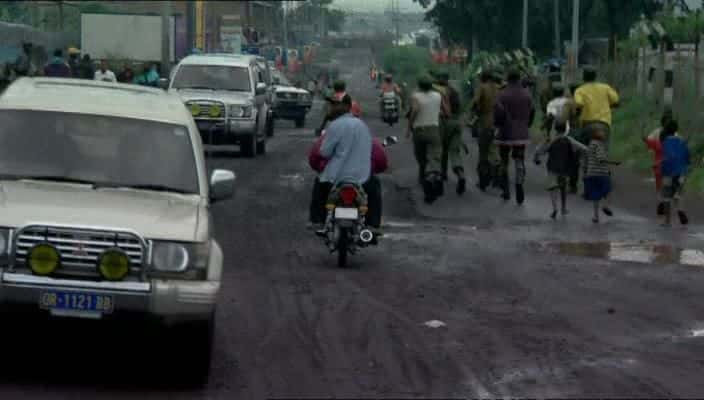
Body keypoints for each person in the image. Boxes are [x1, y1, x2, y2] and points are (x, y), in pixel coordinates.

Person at [312, 94, 373, 232]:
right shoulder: (362, 125)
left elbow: (324, 152)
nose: (332, 108)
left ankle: (317, 219)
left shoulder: (335, 125)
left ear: (346, 106)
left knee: (319, 183)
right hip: (362, 176)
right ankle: (373, 223)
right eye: (332, 104)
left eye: (335, 104)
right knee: (374, 188)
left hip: (337, 176)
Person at [494, 68, 535, 204]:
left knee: (504, 161)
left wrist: (499, 125)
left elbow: (498, 114)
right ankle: (519, 185)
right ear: (518, 79)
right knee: (519, 160)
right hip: (521, 133)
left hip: (505, 133)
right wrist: (527, 124)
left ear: (507, 78)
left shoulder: (502, 94)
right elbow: (532, 111)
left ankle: (505, 190)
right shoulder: (527, 94)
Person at [408, 75, 447, 203]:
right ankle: (432, 180)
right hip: (433, 130)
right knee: (434, 158)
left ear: (419, 85)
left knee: (421, 157)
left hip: (419, 131)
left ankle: (423, 177)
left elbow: (414, 110)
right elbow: (446, 111)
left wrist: (409, 127)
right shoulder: (438, 96)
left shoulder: (415, 96)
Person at [534, 121, 582, 219]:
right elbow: (582, 148)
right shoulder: (569, 140)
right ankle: (563, 208)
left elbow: (539, 150)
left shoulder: (551, 140)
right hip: (565, 168)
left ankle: (555, 208)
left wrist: (536, 157)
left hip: (552, 167)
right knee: (563, 188)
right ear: (565, 129)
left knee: (553, 188)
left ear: (555, 129)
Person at [434, 71, 466, 195]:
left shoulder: (435, 92)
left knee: (440, 149)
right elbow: (460, 109)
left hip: (441, 122)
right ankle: (461, 175)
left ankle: (442, 175)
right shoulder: (454, 92)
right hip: (455, 123)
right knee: (454, 152)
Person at [574, 66, 620, 149]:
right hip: (604, 124)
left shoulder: (579, 90)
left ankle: (585, 160)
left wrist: (576, 116)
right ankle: (603, 159)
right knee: (604, 148)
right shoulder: (605, 87)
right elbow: (616, 101)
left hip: (587, 125)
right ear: (595, 76)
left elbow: (579, 104)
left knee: (583, 149)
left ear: (583, 77)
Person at [584, 127, 619, 224]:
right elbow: (600, 159)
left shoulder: (590, 144)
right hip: (601, 172)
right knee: (608, 190)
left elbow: (587, 158)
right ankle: (606, 205)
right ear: (596, 134)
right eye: (601, 132)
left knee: (595, 196)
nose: (604, 134)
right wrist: (613, 162)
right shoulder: (599, 145)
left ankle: (596, 216)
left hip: (591, 173)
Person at [643, 108, 674, 216]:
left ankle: (660, 201)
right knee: (668, 187)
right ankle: (666, 205)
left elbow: (647, 140)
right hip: (669, 167)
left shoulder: (657, 133)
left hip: (657, 166)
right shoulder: (674, 134)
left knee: (658, 187)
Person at [659, 119, 690, 227]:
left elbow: (664, 157)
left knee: (666, 197)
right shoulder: (682, 141)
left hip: (668, 171)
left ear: (666, 130)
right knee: (679, 193)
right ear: (677, 129)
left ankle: (667, 221)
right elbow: (687, 157)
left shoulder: (665, 142)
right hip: (680, 171)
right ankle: (680, 208)